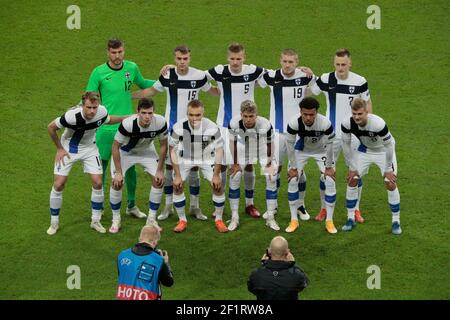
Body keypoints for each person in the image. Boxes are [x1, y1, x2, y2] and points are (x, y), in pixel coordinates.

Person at [132, 45, 219, 222]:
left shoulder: (199, 76)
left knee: (194, 167)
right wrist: (125, 95)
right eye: (178, 59)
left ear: (190, 58)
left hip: (194, 127)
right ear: (174, 59)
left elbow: (214, 91)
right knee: (171, 167)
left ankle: (194, 206)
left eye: (185, 59)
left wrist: (237, 87)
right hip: (171, 128)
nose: (181, 62)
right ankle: (168, 206)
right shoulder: (167, 75)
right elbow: (151, 92)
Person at [86, 38, 156, 219]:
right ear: (108, 52)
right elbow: (89, 96)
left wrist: (165, 80)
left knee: (130, 169)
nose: (117, 56)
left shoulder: (131, 68)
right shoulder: (98, 72)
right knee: (101, 167)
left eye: (120, 52)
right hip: (105, 129)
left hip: (128, 129)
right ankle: (99, 207)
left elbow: (143, 82)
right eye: (113, 53)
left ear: (124, 51)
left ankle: (131, 205)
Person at [46, 92, 127, 235]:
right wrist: (59, 149)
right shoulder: (71, 116)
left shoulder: (101, 111)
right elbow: (51, 127)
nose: (92, 111)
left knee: (98, 183)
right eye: (89, 107)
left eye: (94, 107)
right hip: (69, 149)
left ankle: (95, 221)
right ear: (83, 105)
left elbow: (108, 120)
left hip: (90, 149)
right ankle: (54, 223)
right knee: (58, 184)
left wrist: (126, 118)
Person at [309, 48, 372, 223]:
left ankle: (355, 209)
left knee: (356, 173)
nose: (340, 68)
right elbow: (310, 92)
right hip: (331, 135)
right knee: (326, 173)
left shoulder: (360, 81)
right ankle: (323, 208)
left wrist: (366, 129)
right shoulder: (326, 79)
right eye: (337, 64)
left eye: (343, 64)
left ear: (350, 63)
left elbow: (367, 104)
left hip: (354, 136)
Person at [206, 43, 265, 218]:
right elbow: (198, 77)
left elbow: (279, 74)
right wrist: (172, 67)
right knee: (222, 164)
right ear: (227, 58)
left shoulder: (253, 71)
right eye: (232, 59)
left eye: (239, 58)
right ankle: (220, 202)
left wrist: (302, 70)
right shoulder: (219, 71)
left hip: (248, 126)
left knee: (248, 165)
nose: (235, 62)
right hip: (224, 126)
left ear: (244, 58)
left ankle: (249, 203)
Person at [258, 48, 315, 222]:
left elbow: (317, 90)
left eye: (291, 62)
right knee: (271, 172)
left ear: (297, 62)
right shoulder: (270, 76)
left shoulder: (305, 76)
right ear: (280, 60)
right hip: (275, 133)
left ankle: (300, 205)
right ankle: (271, 208)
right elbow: (248, 75)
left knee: (298, 172)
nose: (287, 65)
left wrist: (312, 76)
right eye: (284, 61)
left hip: (298, 134)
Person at [340, 98, 401, 234]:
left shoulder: (378, 124)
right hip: (365, 150)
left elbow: (389, 145)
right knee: (352, 179)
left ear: (367, 112)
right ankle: (350, 218)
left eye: (360, 114)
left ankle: (396, 221)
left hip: (383, 151)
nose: (356, 117)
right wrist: (352, 167)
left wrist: (388, 169)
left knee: (390, 183)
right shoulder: (346, 123)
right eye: (354, 113)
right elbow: (345, 144)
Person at [109, 98, 168, 233]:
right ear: (137, 112)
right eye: (144, 113)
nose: (147, 117)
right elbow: (115, 147)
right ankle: (116, 219)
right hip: (125, 152)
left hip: (147, 151)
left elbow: (164, 145)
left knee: (158, 181)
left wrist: (160, 170)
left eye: (150, 113)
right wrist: (118, 172)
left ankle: (151, 220)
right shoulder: (127, 124)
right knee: (116, 183)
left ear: (154, 112)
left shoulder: (160, 122)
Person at [168, 99, 228, 233]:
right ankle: (182, 220)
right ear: (187, 114)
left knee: (218, 186)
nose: (194, 118)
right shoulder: (178, 127)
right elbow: (172, 150)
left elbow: (219, 150)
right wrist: (177, 175)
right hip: (185, 158)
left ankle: (219, 220)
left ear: (203, 113)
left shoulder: (212, 127)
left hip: (207, 158)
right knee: (177, 186)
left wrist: (217, 175)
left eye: (198, 115)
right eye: (191, 115)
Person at [285, 97, 337, 234]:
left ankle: (329, 221)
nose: (308, 118)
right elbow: (289, 145)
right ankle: (294, 220)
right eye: (305, 114)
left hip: (321, 151)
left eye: (311, 114)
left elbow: (331, 145)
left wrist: (329, 166)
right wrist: (294, 168)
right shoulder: (293, 123)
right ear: (300, 112)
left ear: (316, 113)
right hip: (301, 151)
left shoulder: (325, 123)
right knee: (293, 179)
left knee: (330, 180)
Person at [227, 100, 278, 231]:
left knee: (271, 176)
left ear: (256, 115)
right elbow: (232, 143)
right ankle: (234, 217)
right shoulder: (234, 123)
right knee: (235, 175)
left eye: (251, 116)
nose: (248, 120)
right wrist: (235, 163)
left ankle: (270, 217)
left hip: (261, 148)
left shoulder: (265, 124)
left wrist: (269, 162)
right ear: (241, 115)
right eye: (245, 116)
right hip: (244, 148)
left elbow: (270, 144)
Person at [116, 225, 174, 300]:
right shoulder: (158, 260)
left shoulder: (122, 255)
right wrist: (166, 264)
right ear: (155, 241)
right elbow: (168, 282)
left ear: (140, 238)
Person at [247, 236, 309, 300]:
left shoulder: (256, 275)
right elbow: (304, 282)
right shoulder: (296, 275)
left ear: (269, 251)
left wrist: (264, 264)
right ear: (287, 252)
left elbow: (251, 288)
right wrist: (292, 263)